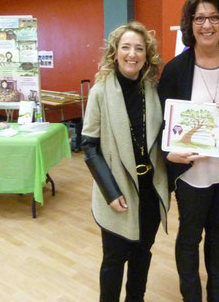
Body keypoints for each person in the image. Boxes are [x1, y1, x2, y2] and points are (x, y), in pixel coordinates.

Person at [158, 0, 219, 302]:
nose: (206, 24)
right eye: (199, 18)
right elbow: (161, 123)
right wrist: (168, 152)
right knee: (189, 236)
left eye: (213, 17)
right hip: (191, 172)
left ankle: (217, 296)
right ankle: (191, 296)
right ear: (190, 24)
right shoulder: (175, 69)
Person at [81, 21, 170, 302]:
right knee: (114, 259)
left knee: (142, 254)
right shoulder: (99, 92)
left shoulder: (153, 91)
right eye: (126, 47)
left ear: (147, 55)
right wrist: (110, 192)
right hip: (116, 191)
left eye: (139, 49)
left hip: (150, 189)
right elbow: (89, 147)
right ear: (115, 53)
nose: (132, 54)